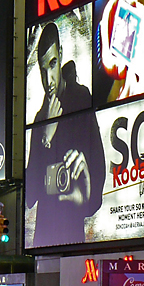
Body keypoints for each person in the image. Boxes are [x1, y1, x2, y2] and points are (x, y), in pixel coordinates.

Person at [26, 21, 106, 247]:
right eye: (43, 70)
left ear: (60, 55)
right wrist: (45, 138)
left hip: (72, 233)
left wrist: (85, 197)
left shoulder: (81, 99)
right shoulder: (40, 119)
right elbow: (30, 195)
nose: (48, 80)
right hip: (44, 236)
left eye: (52, 64)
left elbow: (98, 168)